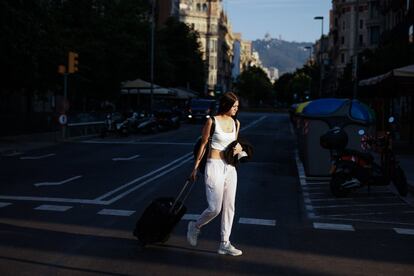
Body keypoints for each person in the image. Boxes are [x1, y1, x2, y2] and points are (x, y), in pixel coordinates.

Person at [187, 92, 243, 256]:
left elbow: (235, 144)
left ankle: (225, 243)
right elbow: (203, 145)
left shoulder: (236, 123)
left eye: (237, 107)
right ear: (226, 105)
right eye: (234, 106)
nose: (235, 110)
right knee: (214, 208)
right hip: (214, 166)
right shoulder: (212, 121)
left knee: (229, 207)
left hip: (230, 167)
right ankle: (195, 226)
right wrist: (195, 167)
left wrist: (240, 149)